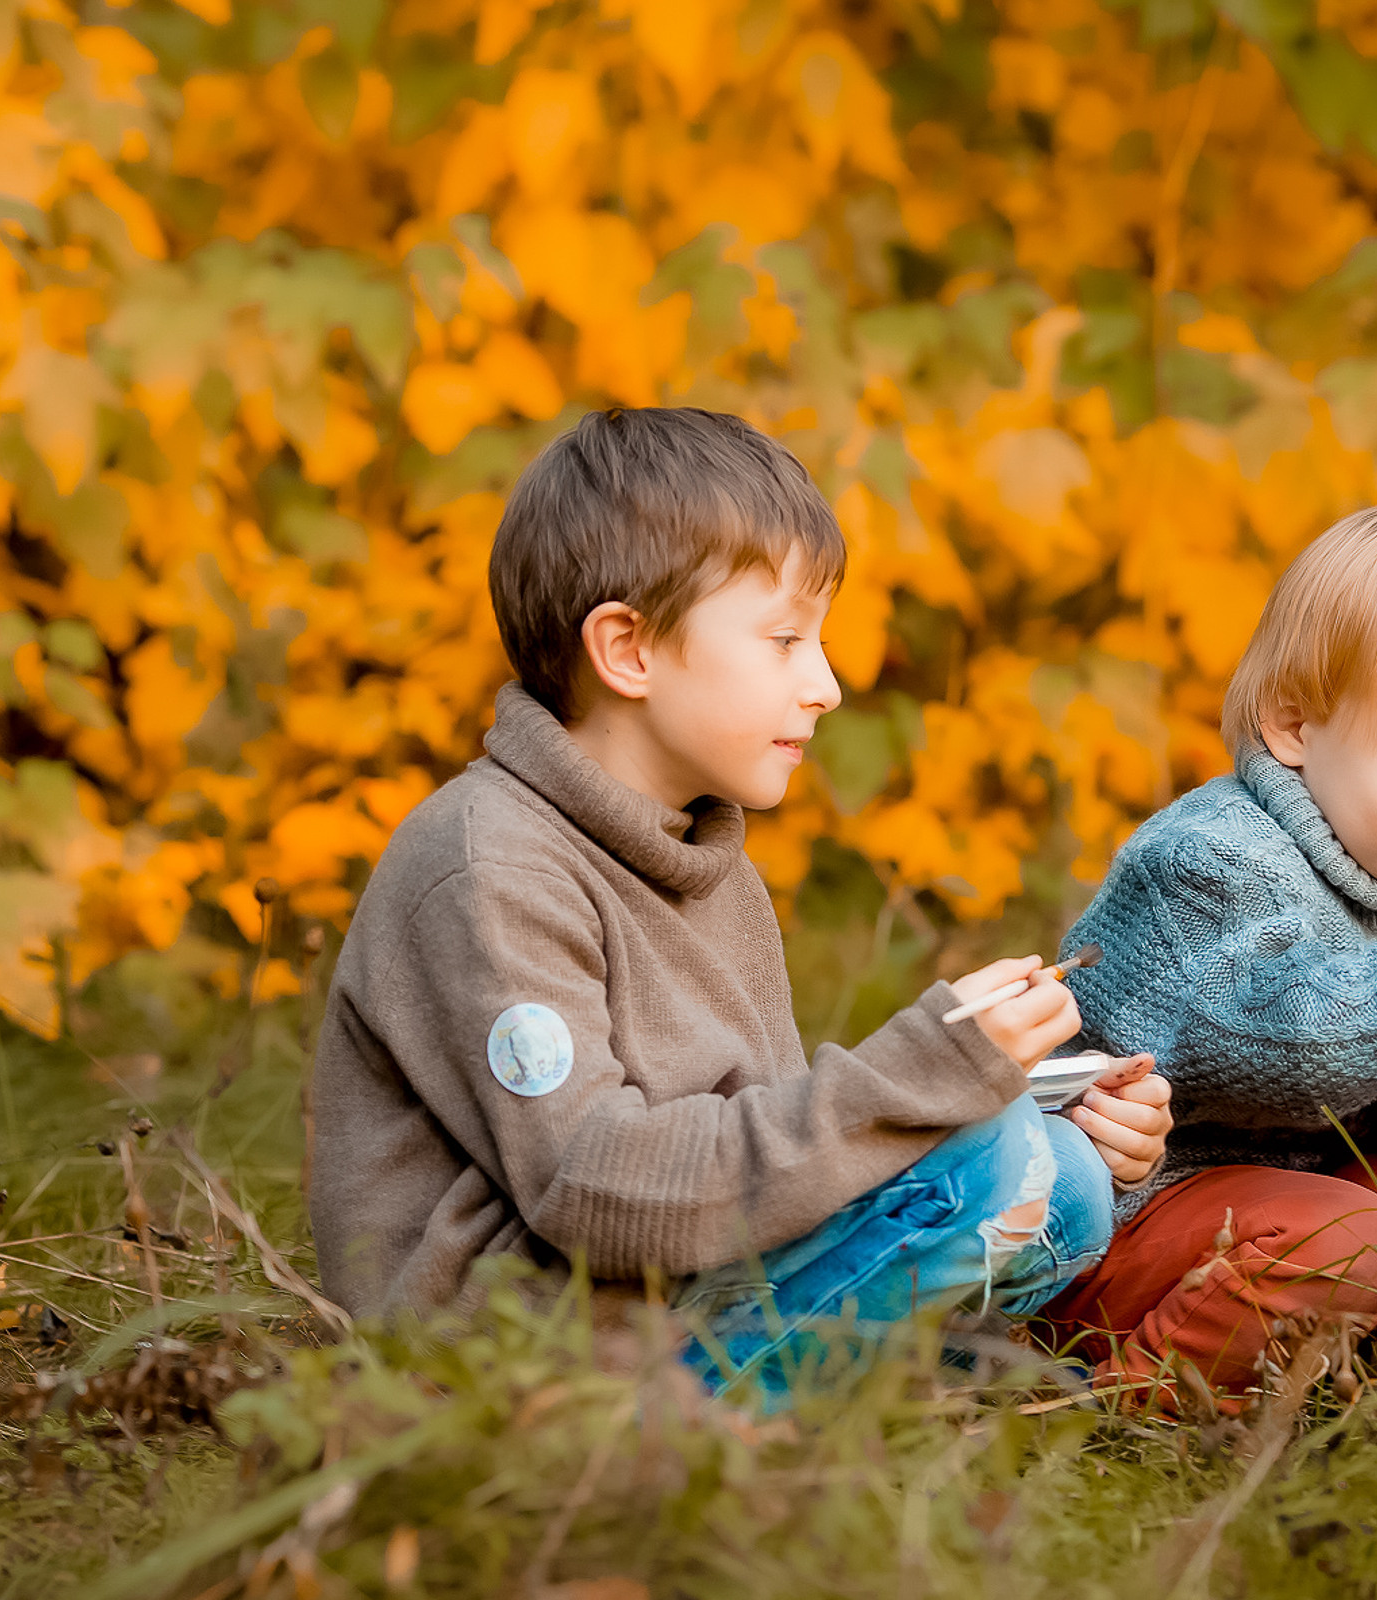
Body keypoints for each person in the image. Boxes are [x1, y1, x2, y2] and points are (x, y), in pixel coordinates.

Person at [308, 407, 1174, 1401]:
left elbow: (765, 1158)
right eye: (784, 639)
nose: (827, 685)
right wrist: (922, 1077)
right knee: (1014, 1168)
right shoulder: (490, 866)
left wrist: (1006, 1089)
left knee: (1058, 1163)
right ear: (628, 650)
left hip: (662, 1300)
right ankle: (736, 1443)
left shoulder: (703, 857)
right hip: (511, 1369)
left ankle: (838, 1408)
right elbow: (594, 1190)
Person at [1040, 505, 1377, 1407]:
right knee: (1352, 1240)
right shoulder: (1206, 861)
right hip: (1140, 1210)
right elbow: (1275, 1038)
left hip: (1308, 1199)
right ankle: (1107, 1399)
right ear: (1294, 727)